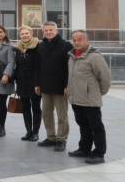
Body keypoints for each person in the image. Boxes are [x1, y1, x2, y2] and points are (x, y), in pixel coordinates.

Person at [67, 30, 111, 165]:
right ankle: (84, 148)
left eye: (80, 39)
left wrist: (98, 93)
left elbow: (105, 78)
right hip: (76, 98)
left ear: (87, 40)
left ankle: (99, 153)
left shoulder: (95, 57)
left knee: (96, 126)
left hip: (90, 100)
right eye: (74, 40)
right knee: (83, 125)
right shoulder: (72, 56)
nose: (76, 42)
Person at [35, 21, 73, 152]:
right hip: (45, 86)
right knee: (46, 113)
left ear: (56, 31)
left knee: (62, 115)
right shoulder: (41, 46)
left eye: (51, 30)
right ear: (43, 32)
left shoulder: (66, 45)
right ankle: (51, 137)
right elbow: (38, 67)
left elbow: (70, 68)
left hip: (60, 87)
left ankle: (61, 139)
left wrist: (67, 85)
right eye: (46, 30)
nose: (48, 32)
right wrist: (37, 84)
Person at [14, 26, 41, 141]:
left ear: (31, 34)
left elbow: (39, 67)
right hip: (22, 82)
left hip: (34, 83)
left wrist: (38, 83)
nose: (24, 35)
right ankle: (28, 131)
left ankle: (35, 132)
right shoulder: (18, 48)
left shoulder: (38, 46)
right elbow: (17, 66)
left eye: (26, 33)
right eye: (22, 34)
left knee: (35, 108)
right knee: (25, 108)